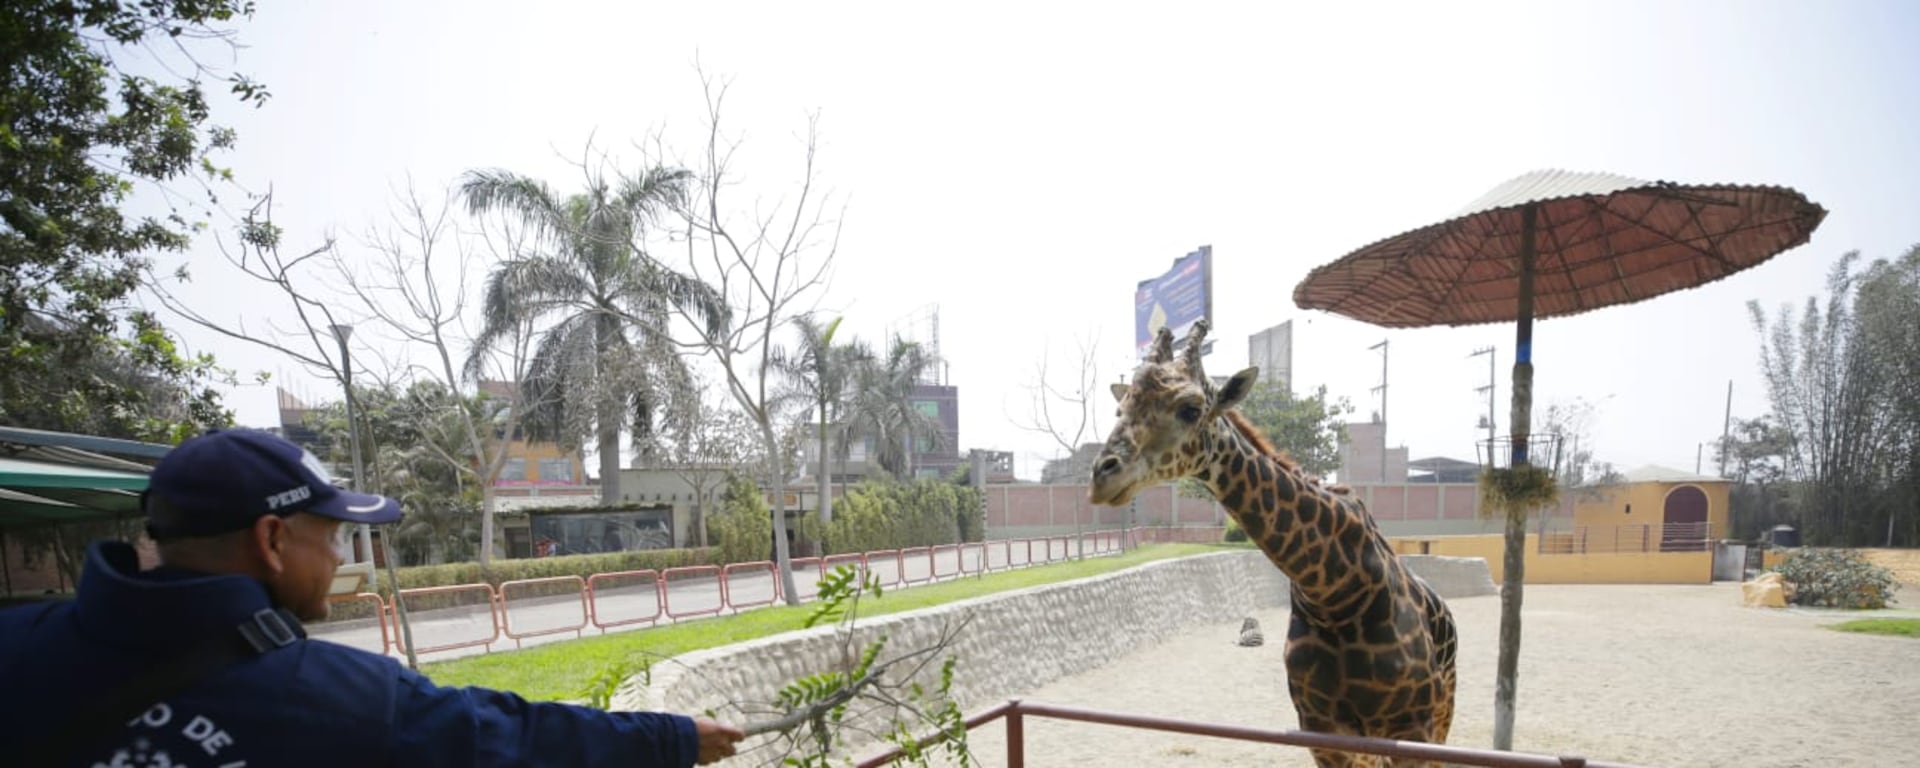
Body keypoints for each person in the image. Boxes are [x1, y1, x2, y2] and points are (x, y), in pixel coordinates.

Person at [0, 428, 747, 767]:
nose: (338, 558)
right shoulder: (338, 699)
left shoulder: (19, 644)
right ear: (270, 540)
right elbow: (516, 738)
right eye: (331, 537)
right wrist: (676, 738)